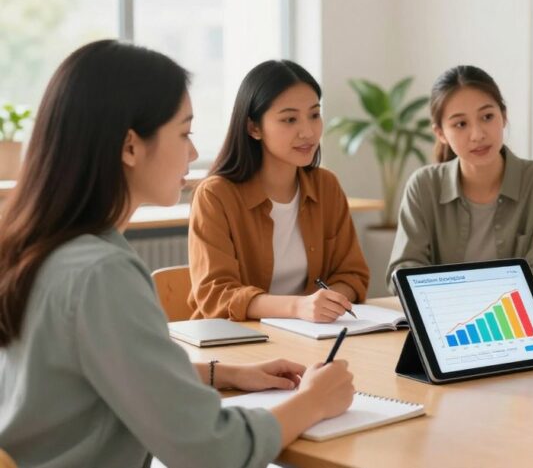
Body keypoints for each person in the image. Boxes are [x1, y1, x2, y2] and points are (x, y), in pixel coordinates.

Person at [0, 41, 355, 467]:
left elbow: (104, 372)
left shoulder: (47, 248)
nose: (191, 153)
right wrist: (313, 402)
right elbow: (211, 451)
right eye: (184, 133)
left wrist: (221, 374)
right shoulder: (102, 273)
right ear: (130, 147)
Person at [188, 60, 370, 321]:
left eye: (314, 115)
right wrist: (299, 308)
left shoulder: (326, 186)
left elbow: (353, 275)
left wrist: (326, 304)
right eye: (289, 119)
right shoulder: (216, 195)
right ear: (254, 128)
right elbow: (216, 295)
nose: (307, 131)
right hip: (237, 341)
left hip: (314, 335)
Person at [388, 65, 533, 292]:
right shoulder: (424, 185)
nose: (478, 134)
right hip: (445, 322)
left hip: (517, 322)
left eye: (487, 117)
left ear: (503, 116)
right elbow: (403, 271)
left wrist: (457, 295)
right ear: (440, 133)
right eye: (460, 124)